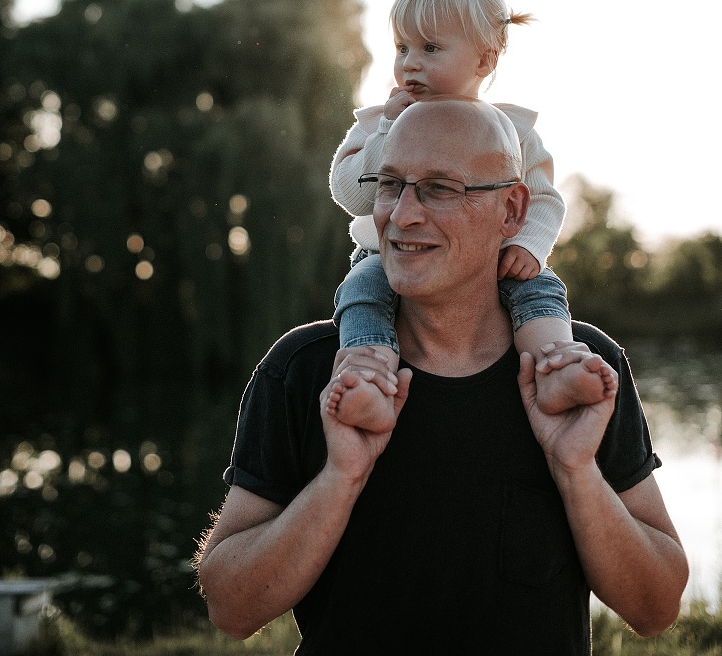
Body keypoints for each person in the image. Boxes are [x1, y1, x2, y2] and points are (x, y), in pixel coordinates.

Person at [197, 100, 687, 654]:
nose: (402, 215)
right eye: (390, 184)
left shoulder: (581, 369)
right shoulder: (305, 370)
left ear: (511, 210)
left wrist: (576, 472)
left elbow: (655, 608)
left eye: (440, 188)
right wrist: (340, 478)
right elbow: (231, 608)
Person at [329, 0, 600, 432]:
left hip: (495, 256)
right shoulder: (380, 122)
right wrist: (387, 131)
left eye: (431, 49)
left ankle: (556, 365)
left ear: (485, 60)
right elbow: (354, 195)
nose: (410, 64)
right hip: (386, 257)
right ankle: (368, 377)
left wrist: (529, 246)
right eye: (402, 48)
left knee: (540, 289)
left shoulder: (512, 131)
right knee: (362, 292)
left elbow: (542, 199)